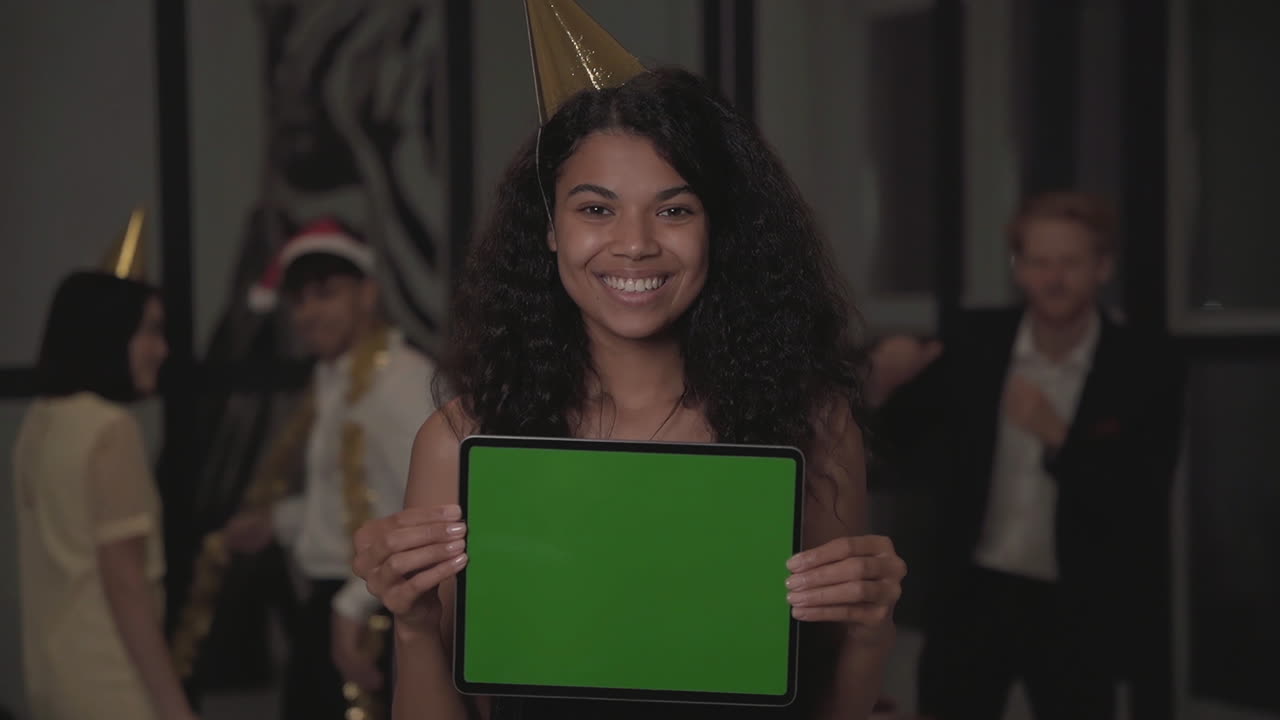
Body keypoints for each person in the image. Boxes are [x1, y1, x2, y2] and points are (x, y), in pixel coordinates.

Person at [349, 5, 907, 715]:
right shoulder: (461, 444)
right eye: (596, 210)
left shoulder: (812, 427)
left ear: (718, 228)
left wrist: (870, 639)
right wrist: (414, 629)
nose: (635, 244)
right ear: (549, 229)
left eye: (674, 210)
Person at [869, 191, 1184, 720]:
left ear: (1102, 267)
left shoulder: (1144, 366)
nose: (1053, 278)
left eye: (1069, 262)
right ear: (1019, 268)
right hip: (973, 592)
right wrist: (880, 386)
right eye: (1038, 261)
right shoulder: (978, 345)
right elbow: (901, 446)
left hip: (1078, 604)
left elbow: (1142, 495)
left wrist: (1057, 435)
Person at [222, 219, 437, 719]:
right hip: (328, 604)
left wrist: (354, 605)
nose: (308, 313)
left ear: (368, 294)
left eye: (326, 294)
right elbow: (352, 497)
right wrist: (278, 523)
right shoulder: (331, 378)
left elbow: (434, 511)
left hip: (374, 609)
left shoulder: (400, 381)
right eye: (298, 300)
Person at [13, 233, 196, 720]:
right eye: (151, 331)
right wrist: (176, 709)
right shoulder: (110, 429)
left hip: (53, 680)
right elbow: (125, 584)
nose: (162, 349)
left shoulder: (40, 422)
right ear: (111, 334)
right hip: (111, 685)